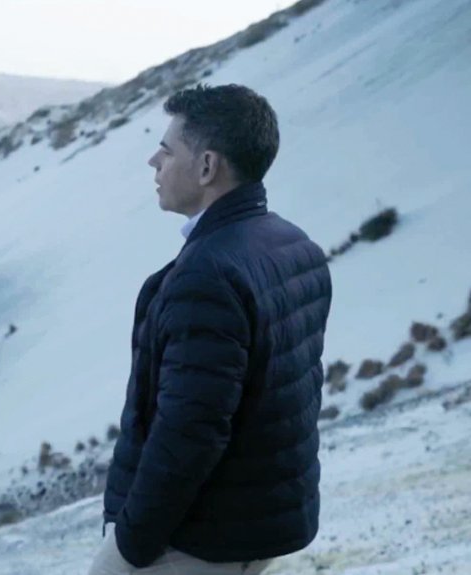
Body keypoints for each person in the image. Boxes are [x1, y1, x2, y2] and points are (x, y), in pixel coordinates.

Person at [90, 84, 333, 574]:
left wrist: (131, 545)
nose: (153, 161)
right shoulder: (292, 244)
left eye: (167, 149)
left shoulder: (209, 273)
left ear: (206, 167)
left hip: (198, 540)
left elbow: (190, 432)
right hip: (258, 525)